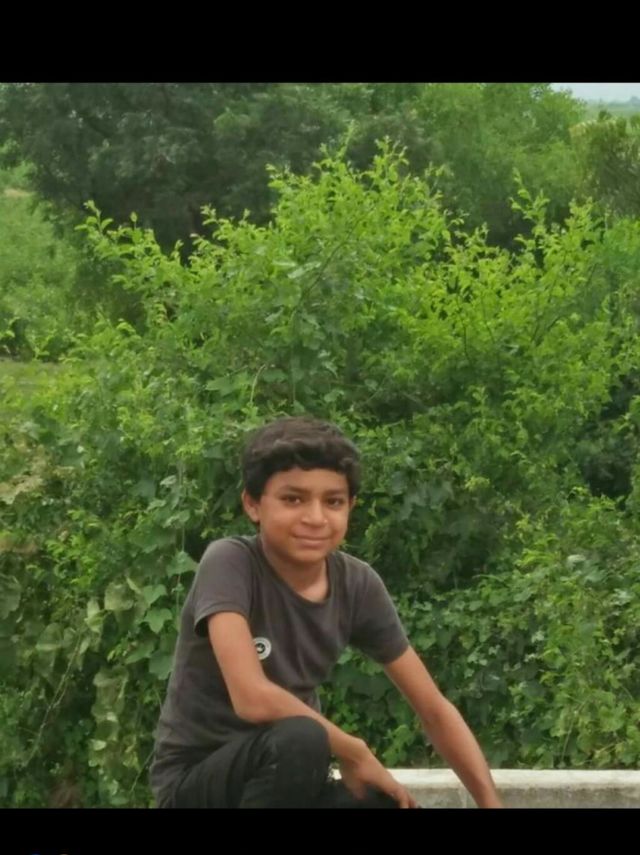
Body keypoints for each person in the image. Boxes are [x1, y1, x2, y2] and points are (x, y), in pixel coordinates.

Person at [150, 416, 503, 809]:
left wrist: (491, 805)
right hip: (198, 783)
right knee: (302, 738)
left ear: (350, 507)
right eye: (293, 499)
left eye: (333, 502)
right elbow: (252, 698)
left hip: (290, 784)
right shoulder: (231, 563)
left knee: (381, 801)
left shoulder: (357, 585)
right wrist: (354, 750)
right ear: (253, 504)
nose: (315, 518)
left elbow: (433, 709)